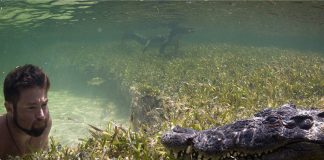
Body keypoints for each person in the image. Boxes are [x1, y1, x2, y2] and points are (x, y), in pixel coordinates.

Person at [0, 64, 52, 158]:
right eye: (31, 107)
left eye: (44, 105)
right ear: (9, 108)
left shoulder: (46, 122)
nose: (41, 116)